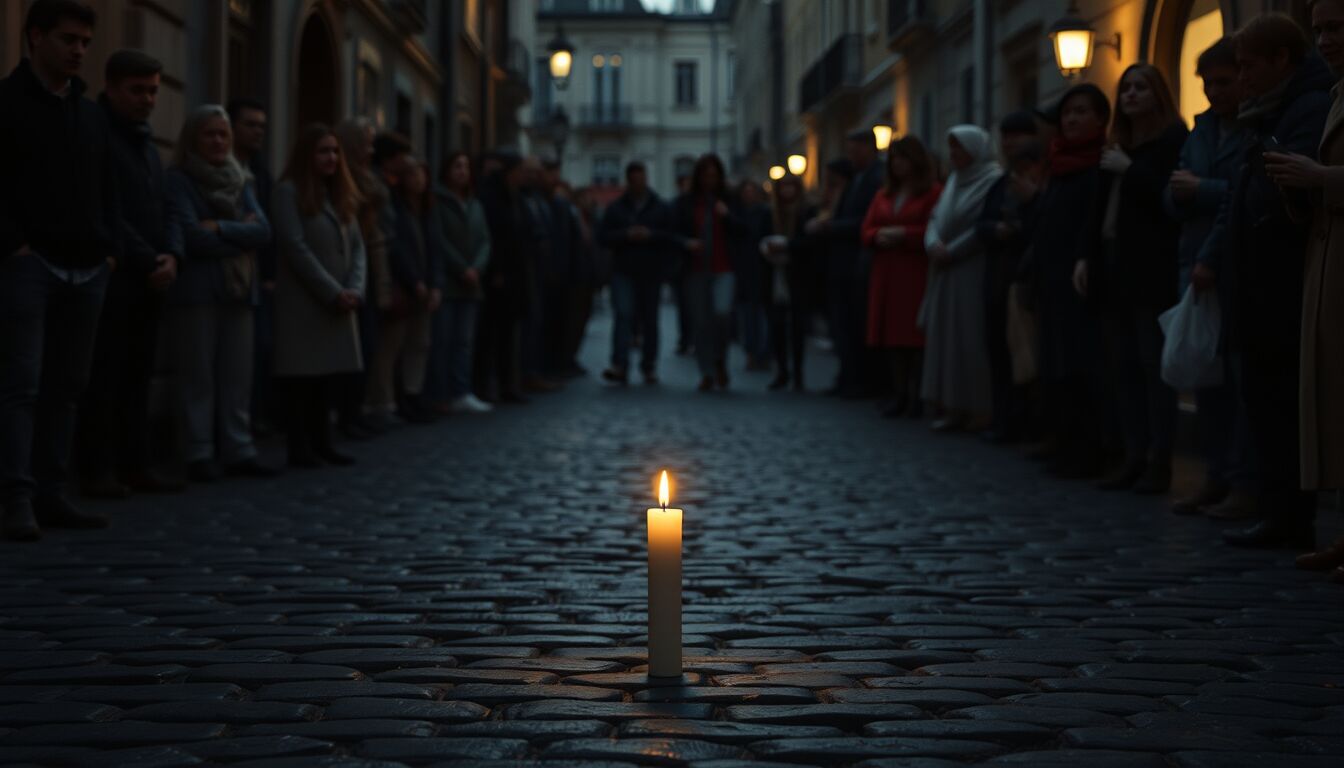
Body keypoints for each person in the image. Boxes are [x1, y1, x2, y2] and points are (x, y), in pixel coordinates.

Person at [1199, 13, 1333, 549]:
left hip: (1282, 281)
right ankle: (1280, 511)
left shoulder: (1305, 106)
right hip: (1260, 280)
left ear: (1282, 60)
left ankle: (1288, 516)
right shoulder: (1273, 108)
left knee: (1280, 405)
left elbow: (1287, 190)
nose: (1243, 76)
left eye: (1249, 65)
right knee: (1266, 403)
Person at [0, 0, 117, 541]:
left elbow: (107, 187)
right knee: (21, 386)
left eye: (86, 43)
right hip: (31, 264)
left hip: (88, 267)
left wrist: (108, 248)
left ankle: (52, 491)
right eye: (69, 39)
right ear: (36, 37)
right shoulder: (6, 103)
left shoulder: (89, 112)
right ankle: (16, 498)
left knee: (67, 386)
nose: (79, 51)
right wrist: (14, 245)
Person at [1075, 65, 1188, 494]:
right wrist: (1085, 257)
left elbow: (1167, 198)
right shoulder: (1116, 145)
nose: (1132, 95)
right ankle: (1134, 455)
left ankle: (1160, 461)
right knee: (1121, 367)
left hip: (1150, 269)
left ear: (1158, 94)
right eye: (1126, 89)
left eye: (1141, 87)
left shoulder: (1173, 140)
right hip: (1112, 265)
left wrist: (1131, 169)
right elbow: (1097, 209)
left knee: (1151, 366)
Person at [1263, 0, 1344, 576]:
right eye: (1319, 29)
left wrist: (1320, 179)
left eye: (1336, 27)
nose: (1326, 40)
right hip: (1328, 253)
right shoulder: (1339, 92)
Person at [79, 49, 182, 499]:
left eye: (154, 91)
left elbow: (163, 208)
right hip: (115, 276)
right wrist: (148, 257)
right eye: (137, 90)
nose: (147, 100)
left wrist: (171, 254)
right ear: (112, 88)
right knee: (105, 376)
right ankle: (99, 469)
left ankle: (135, 463)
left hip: (149, 278)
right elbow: (108, 209)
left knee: (137, 376)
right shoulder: (98, 132)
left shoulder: (146, 142)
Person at [1164, 38, 1256, 515]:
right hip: (1194, 261)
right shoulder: (1199, 131)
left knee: (1241, 384)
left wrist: (1199, 190)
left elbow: (1241, 195)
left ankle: (1242, 481)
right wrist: (1181, 195)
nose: (1214, 92)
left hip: (1233, 267)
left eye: (1223, 81)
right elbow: (1173, 193)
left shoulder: (1254, 128)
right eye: (1208, 83)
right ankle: (1215, 475)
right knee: (1207, 380)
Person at [164, 105, 274, 483]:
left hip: (239, 291)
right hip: (196, 292)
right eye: (209, 134)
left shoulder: (241, 180)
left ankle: (238, 447)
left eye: (223, 135)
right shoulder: (179, 180)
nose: (217, 141)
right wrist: (236, 235)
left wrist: (220, 230)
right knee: (198, 376)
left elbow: (263, 232)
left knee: (237, 376)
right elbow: (192, 237)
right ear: (193, 138)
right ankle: (198, 450)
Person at [1022, 83, 1112, 480]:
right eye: (1067, 113)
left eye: (1081, 111)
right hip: (1050, 278)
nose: (1072, 119)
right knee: (1055, 365)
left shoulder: (1102, 164)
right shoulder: (1058, 164)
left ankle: (1089, 449)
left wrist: (1082, 258)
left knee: (1082, 366)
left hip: (1081, 279)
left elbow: (1094, 222)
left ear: (1100, 118)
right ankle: (1063, 442)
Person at [271, 123, 368, 468]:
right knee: (303, 378)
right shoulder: (288, 192)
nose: (331, 158)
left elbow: (357, 248)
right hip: (306, 302)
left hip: (340, 299)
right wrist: (332, 291)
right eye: (323, 151)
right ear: (307, 156)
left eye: (334, 151)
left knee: (327, 376)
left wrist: (355, 289)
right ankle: (300, 445)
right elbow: (295, 248)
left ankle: (322, 441)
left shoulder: (340, 193)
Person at [920, 126, 1002, 431]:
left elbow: (981, 225)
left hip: (969, 269)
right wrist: (931, 243)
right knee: (947, 339)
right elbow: (935, 218)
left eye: (959, 148)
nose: (953, 154)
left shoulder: (991, 179)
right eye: (950, 148)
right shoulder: (954, 181)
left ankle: (978, 407)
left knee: (969, 339)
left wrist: (952, 250)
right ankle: (952, 404)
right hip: (945, 270)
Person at [859, 137, 942, 417]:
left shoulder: (931, 193)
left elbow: (935, 229)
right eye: (894, 158)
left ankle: (917, 393)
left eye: (903, 158)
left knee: (913, 336)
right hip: (887, 271)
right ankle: (899, 392)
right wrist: (877, 236)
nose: (897, 164)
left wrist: (904, 235)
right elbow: (866, 228)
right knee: (892, 337)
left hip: (913, 271)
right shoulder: (884, 195)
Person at [976, 112, 1043, 443]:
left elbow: (1039, 227)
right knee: (998, 353)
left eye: (1017, 135)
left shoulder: (1039, 181)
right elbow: (981, 225)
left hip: (1022, 279)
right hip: (997, 278)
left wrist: (1017, 226)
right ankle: (1002, 419)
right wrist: (995, 229)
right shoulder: (1000, 183)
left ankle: (1025, 424)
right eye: (1006, 136)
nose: (1010, 142)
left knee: (1025, 355)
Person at [367, 155, 444, 425]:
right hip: (405, 286)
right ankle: (385, 400)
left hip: (424, 287)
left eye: (422, 174)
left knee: (420, 343)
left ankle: (413, 394)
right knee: (392, 346)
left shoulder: (427, 210)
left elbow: (435, 248)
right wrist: (415, 281)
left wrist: (435, 284)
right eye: (413, 174)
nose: (419, 180)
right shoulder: (395, 208)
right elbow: (396, 248)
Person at [334, 120, 398, 436]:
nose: (370, 151)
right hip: (348, 270)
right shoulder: (342, 182)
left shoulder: (370, 183)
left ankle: (356, 409)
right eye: (366, 144)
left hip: (370, 267)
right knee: (352, 346)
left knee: (369, 344)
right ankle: (346, 412)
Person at [810, 130, 883, 397]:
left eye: (855, 150)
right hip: (842, 263)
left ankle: (859, 380)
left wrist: (832, 226)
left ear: (869, 148)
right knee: (843, 325)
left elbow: (866, 220)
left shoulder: (875, 179)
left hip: (857, 262)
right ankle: (848, 377)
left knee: (854, 324)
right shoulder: (858, 180)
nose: (851, 156)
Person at [228, 98, 279, 437]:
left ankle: (255, 418)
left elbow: (267, 227)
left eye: (262, 125)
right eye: (251, 124)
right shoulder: (226, 167)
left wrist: (272, 274)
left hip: (259, 276)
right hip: (229, 273)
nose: (258, 131)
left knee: (260, 350)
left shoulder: (261, 172)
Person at [600, 161, 675, 385]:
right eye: (634, 179)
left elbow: (670, 236)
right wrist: (626, 235)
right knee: (623, 317)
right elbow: (603, 237)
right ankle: (620, 363)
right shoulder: (616, 208)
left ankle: (648, 365)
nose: (638, 183)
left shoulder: (660, 207)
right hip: (624, 269)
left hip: (650, 271)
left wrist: (650, 235)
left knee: (650, 320)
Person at [674, 154, 744, 392]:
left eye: (713, 176)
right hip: (695, 270)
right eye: (705, 175)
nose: (709, 180)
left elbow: (745, 229)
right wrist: (686, 243)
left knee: (722, 315)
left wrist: (727, 216)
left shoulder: (730, 200)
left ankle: (720, 361)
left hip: (724, 268)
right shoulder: (686, 203)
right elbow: (673, 232)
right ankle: (707, 371)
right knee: (701, 324)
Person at [430, 151, 493, 413]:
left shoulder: (475, 204)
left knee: (464, 342)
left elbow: (485, 241)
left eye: (466, 166)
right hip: (449, 282)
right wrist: (461, 268)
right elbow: (439, 240)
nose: (462, 171)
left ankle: (461, 391)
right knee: (443, 341)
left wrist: (476, 268)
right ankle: (440, 393)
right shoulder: (437, 202)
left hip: (471, 285)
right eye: (457, 166)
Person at [477, 152, 534, 404]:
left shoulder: (516, 197)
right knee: (490, 332)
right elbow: (494, 236)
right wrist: (497, 269)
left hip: (515, 273)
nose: (525, 175)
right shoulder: (493, 196)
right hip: (499, 274)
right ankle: (486, 385)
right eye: (522, 170)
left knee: (509, 332)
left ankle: (507, 383)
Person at [759, 175, 814, 391]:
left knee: (798, 328)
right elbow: (759, 237)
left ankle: (798, 373)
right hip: (774, 276)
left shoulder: (805, 212)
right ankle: (782, 371)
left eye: (790, 187)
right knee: (777, 327)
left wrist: (788, 246)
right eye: (783, 187)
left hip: (797, 276)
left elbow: (810, 243)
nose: (786, 192)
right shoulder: (769, 214)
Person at [736, 180, 772, 372]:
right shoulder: (741, 213)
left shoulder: (764, 214)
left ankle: (761, 352)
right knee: (749, 315)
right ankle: (753, 351)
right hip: (746, 270)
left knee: (758, 315)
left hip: (760, 270)